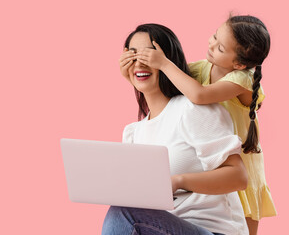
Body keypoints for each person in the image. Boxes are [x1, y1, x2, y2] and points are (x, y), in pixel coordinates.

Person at [132, 15, 277, 235]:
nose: (211, 44)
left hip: (242, 161)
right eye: (214, 36)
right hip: (216, 155)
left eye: (220, 47)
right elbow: (169, 79)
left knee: (241, 221)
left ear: (238, 63)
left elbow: (199, 94)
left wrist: (163, 62)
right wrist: (137, 67)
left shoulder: (243, 79)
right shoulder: (202, 69)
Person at [102, 23, 249, 235]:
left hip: (214, 230)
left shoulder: (191, 110)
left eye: (147, 55)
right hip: (163, 227)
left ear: (165, 60)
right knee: (123, 209)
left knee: (123, 213)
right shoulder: (134, 133)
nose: (139, 63)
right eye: (132, 56)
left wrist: (178, 181)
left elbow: (238, 177)